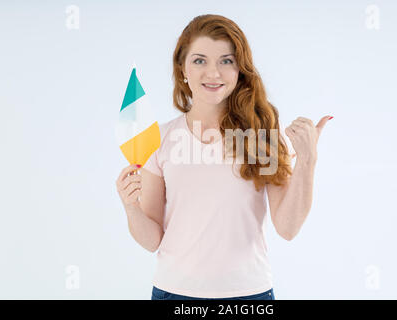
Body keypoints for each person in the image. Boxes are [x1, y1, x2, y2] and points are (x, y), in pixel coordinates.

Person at [116, 14, 298, 300]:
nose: (213, 73)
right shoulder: (158, 140)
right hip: (174, 293)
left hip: (249, 295)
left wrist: (309, 162)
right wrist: (131, 208)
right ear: (183, 70)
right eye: (200, 60)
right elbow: (152, 240)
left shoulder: (262, 136)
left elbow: (287, 229)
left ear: (240, 70)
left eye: (226, 61)